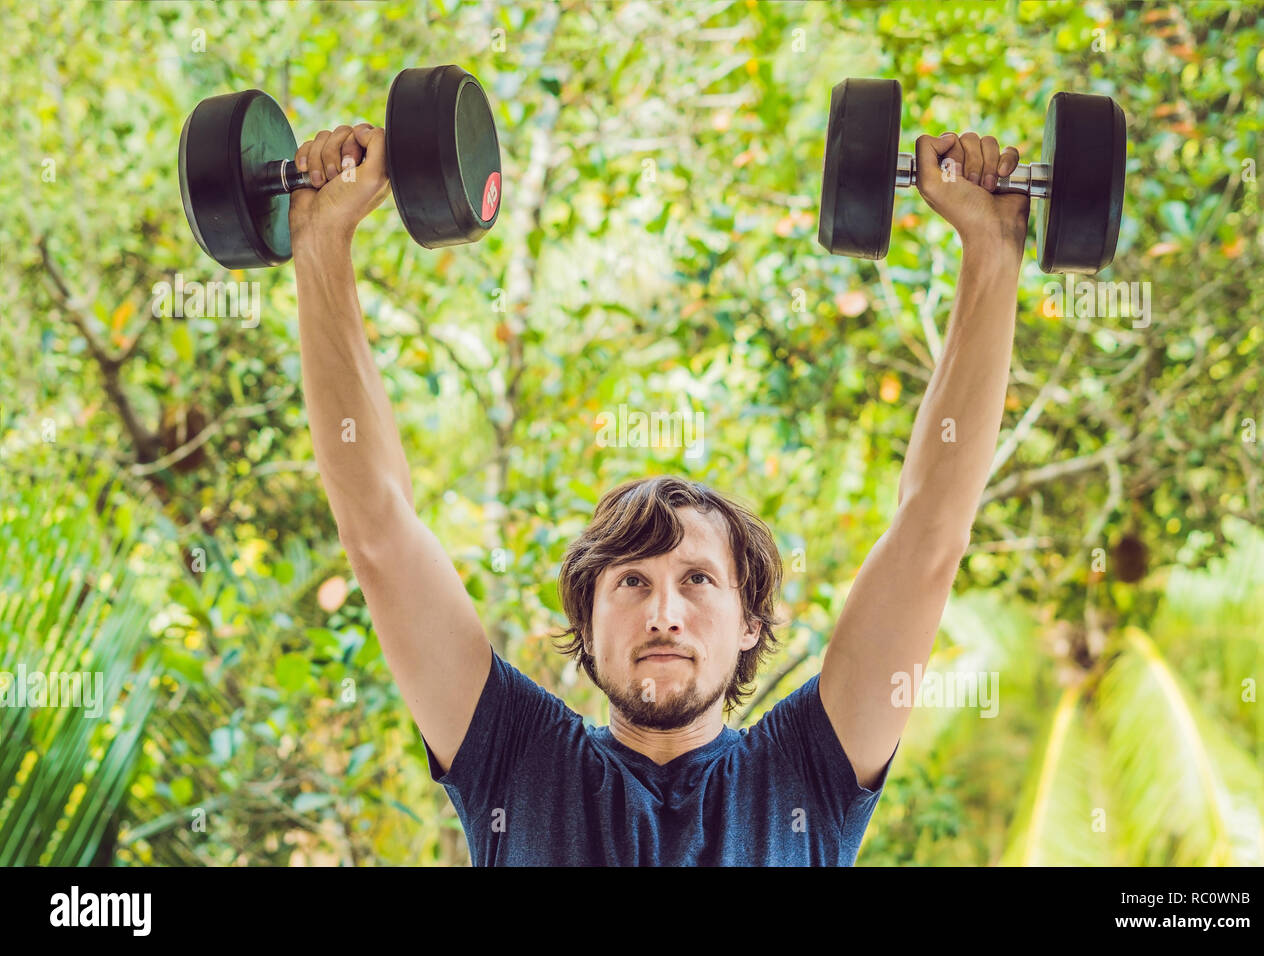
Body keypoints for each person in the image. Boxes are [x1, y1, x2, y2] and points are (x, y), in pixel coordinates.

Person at [289, 122, 1028, 865]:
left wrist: (992, 255)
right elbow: (379, 530)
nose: (664, 615)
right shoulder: (514, 760)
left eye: (699, 581)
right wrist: (321, 242)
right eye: (632, 582)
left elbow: (932, 533)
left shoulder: (807, 772)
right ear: (586, 618)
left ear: (748, 623)